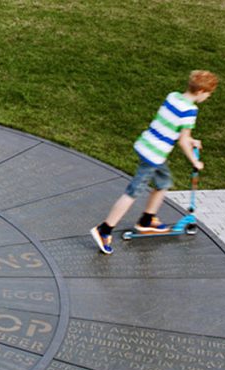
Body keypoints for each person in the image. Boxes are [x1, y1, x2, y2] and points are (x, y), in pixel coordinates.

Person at [90, 70, 218, 254]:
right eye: (208, 94)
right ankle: (104, 229)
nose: (208, 97)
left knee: (163, 183)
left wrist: (191, 140)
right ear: (200, 91)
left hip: (147, 145)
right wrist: (194, 161)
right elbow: (182, 140)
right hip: (154, 155)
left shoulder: (173, 96)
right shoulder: (190, 110)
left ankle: (147, 219)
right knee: (132, 192)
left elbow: (171, 125)